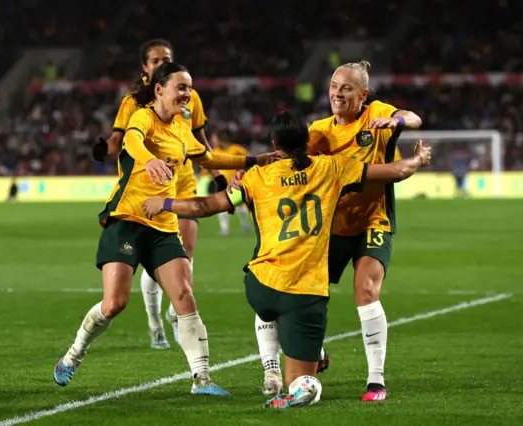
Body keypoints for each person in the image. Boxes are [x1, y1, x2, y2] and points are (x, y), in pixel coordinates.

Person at [141, 110, 431, 408]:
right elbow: (396, 171)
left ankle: (273, 368)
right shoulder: (331, 168)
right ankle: (302, 377)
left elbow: (205, 206)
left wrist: (163, 203)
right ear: (308, 141)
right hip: (305, 295)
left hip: (260, 287)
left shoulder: (255, 177)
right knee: (304, 382)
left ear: (273, 143)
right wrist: (419, 159)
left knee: (268, 305)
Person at [53, 62, 278, 394]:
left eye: (189, 88)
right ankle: (74, 354)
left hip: (163, 225)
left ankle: (202, 379)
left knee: (185, 296)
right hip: (127, 220)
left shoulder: (182, 128)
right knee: (114, 303)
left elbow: (210, 158)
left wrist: (253, 160)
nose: (187, 94)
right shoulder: (143, 117)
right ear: (159, 89)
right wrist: (150, 160)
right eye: (181, 87)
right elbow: (131, 141)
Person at [232, 61, 423, 401]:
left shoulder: (376, 114)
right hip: (330, 228)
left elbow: (414, 118)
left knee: (366, 290)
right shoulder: (319, 131)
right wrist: (250, 168)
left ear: (362, 95)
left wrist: (395, 121)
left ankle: (375, 381)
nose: (337, 92)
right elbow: (287, 156)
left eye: (346, 88)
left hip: (372, 221)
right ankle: (302, 357)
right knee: (296, 288)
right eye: (334, 86)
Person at [92, 39, 228, 350]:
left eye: (164, 59)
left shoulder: (188, 96)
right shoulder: (134, 103)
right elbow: (121, 139)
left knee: (185, 254)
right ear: (145, 67)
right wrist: (104, 150)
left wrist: (218, 176)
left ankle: (176, 310)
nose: (158, 64)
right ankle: (156, 325)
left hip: (182, 180)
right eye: (154, 60)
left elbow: (201, 142)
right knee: (153, 256)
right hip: (147, 183)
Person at [208, 131, 251, 236]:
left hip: (236, 183)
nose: (214, 141)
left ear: (221, 139)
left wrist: (243, 169)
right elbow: (208, 164)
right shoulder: (215, 151)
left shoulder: (236, 149)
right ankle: (224, 229)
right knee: (221, 207)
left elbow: (250, 158)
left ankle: (245, 226)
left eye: (215, 138)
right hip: (222, 184)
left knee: (240, 206)